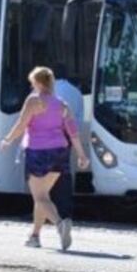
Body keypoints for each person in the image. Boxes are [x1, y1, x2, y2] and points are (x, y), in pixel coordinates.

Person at [1, 67, 89, 250]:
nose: (31, 85)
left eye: (32, 82)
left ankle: (60, 223)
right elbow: (73, 133)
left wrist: (7, 140)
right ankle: (35, 236)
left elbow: (21, 124)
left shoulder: (34, 100)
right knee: (43, 196)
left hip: (38, 152)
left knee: (40, 197)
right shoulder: (62, 104)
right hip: (60, 152)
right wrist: (81, 155)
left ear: (38, 83)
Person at [51, 64, 84, 224]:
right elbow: (79, 118)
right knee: (64, 172)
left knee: (46, 175)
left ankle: (49, 211)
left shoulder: (46, 91)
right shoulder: (76, 92)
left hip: (48, 137)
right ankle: (65, 211)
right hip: (67, 136)